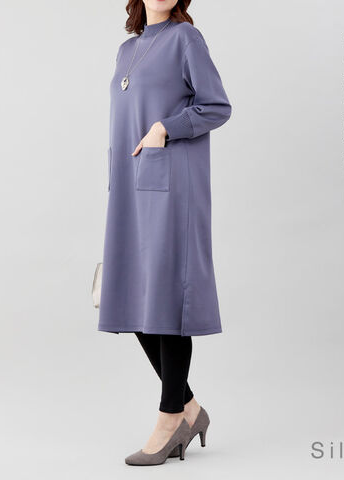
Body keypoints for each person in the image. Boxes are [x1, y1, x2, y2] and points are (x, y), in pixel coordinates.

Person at [97, 0, 231, 466]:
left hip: (171, 183)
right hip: (129, 187)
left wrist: (165, 130)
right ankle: (189, 407)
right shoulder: (126, 50)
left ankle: (170, 415)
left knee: (166, 296)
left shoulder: (186, 39)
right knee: (131, 295)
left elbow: (216, 106)